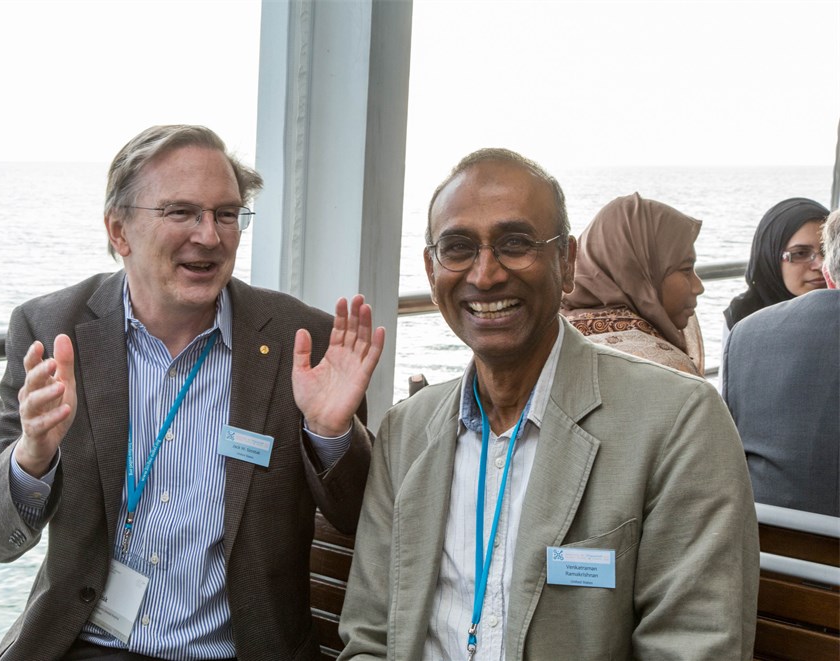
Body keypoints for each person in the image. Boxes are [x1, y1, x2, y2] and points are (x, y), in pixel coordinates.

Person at [0, 125, 385, 661]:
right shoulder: (53, 330)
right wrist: (33, 457)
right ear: (120, 231)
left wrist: (331, 434)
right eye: (181, 213)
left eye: (226, 214)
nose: (209, 236)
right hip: (85, 647)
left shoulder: (300, 341)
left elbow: (358, 518)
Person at [338, 148, 759, 660]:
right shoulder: (407, 431)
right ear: (431, 271)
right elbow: (369, 639)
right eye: (458, 247)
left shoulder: (679, 424)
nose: (486, 274)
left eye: (516, 244)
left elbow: (695, 647)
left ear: (567, 264)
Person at [722, 209, 839, 517]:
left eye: (821, 254)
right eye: (800, 254)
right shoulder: (742, 323)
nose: (815, 265)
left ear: (830, 272)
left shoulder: (745, 334)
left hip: (773, 548)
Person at [560, 193, 705, 375]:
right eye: (685, 270)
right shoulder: (669, 371)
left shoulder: (549, 340)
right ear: (639, 274)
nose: (698, 287)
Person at [723, 197, 829, 334]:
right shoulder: (742, 318)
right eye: (801, 253)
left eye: (828, 251)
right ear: (770, 258)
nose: (821, 265)